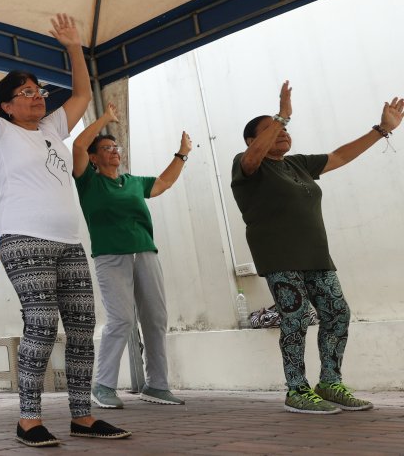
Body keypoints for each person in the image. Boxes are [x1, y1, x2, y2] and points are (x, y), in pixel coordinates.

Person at [0, 5, 129, 447]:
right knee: (43, 322)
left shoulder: (52, 128)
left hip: (68, 242)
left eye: (37, 89)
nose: (35, 95)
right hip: (23, 239)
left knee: (83, 326)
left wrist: (73, 48)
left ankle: (82, 416)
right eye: (24, 92)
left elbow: (83, 95)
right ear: (6, 106)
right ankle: (28, 419)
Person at [231, 81, 402, 414]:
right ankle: (296, 390)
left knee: (338, 314)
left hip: (316, 257)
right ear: (253, 140)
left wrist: (382, 129)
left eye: (283, 127)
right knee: (294, 319)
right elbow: (252, 158)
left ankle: (330, 383)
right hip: (280, 257)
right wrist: (282, 115)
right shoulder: (247, 164)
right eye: (270, 129)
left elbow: (339, 155)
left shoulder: (296, 164)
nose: (282, 132)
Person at [71, 103, 191, 409]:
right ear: (94, 158)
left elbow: (163, 182)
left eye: (116, 146)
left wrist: (181, 155)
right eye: (106, 148)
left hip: (146, 253)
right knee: (121, 319)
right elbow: (78, 145)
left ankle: (158, 386)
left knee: (156, 318)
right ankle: (103, 385)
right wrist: (105, 120)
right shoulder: (89, 182)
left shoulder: (133, 183)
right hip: (110, 257)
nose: (113, 151)